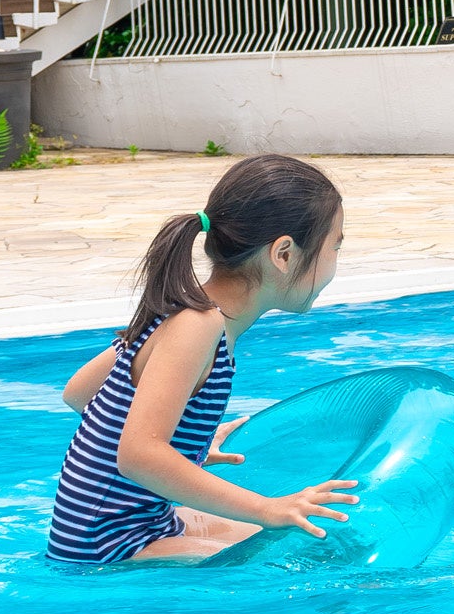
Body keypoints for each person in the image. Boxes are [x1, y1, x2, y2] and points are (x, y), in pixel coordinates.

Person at [48, 153, 363, 565]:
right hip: (107, 544)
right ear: (283, 254)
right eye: (334, 247)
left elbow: (80, 394)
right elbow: (138, 454)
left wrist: (182, 444)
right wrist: (267, 507)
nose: (334, 264)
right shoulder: (197, 324)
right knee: (296, 561)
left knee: (315, 539)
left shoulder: (187, 308)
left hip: (141, 523)